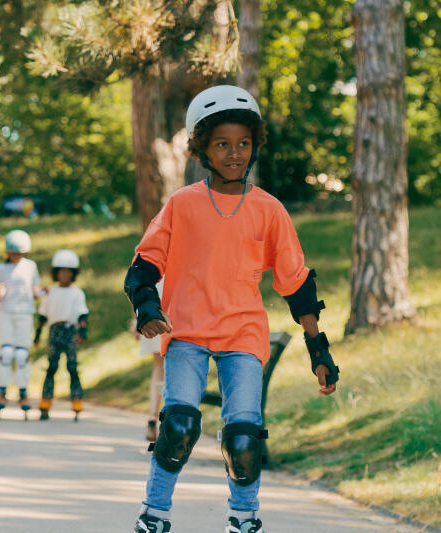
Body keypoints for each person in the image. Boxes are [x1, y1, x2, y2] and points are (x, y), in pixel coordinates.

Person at [124, 85, 340, 533]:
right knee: (179, 425)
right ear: (202, 147)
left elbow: (297, 286)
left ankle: (244, 518)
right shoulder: (182, 204)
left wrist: (319, 350)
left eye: (244, 143)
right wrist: (146, 306)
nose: (234, 153)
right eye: (222, 144)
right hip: (185, 330)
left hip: (243, 334)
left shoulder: (268, 210)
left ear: (255, 145)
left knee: (244, 436)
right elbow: (144, 266)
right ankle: (154, 513)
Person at [0, 229, 45, 419]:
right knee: (6, 353)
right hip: (5, 313)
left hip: (24, 313)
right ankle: (2, 391)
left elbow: (35, 289)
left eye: (20, 252)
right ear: (7, 252)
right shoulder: (1, 269)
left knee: (22, 354)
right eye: (14, 252)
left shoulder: (30, 266)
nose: (16, 256)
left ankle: (23, 392)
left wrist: (44, 292)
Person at [34, 249, 89, 421]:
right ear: (55, 273)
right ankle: (45, 401)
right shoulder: (50, 292)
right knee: (52, 367)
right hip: (54, 331)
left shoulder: (77, 293)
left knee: (72, 367)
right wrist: (37, 334)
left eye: (68, 271)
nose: (64, 274)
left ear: (73, 274)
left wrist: (82, 331)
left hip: (70, 330)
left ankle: (77, 400)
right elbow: (42, 316)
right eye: (61, 271)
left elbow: (82, 314)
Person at [130, 279, 165, 441]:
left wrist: (136, 319)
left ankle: (153, 415)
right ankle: (170, 419)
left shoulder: (150, 253)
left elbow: (136, 281)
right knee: (176, 367)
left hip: (151, 311)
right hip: (176, 312)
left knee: (158, 368)